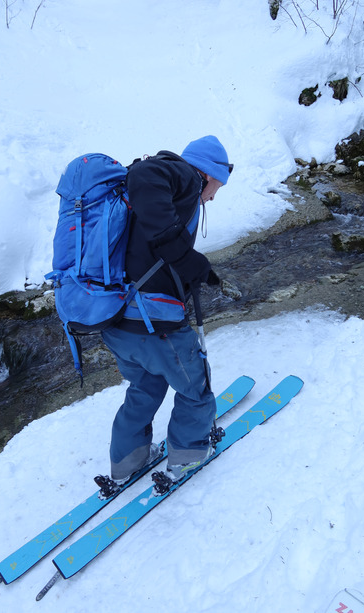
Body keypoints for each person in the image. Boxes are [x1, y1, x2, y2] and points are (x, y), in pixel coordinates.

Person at [101, 135, 233, 484]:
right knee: (196, 389)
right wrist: (181, 252)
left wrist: (192, 268)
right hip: (154, 323)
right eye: (217, 185)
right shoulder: (183, 174)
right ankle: (188, 456)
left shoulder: (173, 194)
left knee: (146, 386)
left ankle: (127, 463)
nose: (214, 196)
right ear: (207, 174)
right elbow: (146, 175)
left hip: (116, 319)